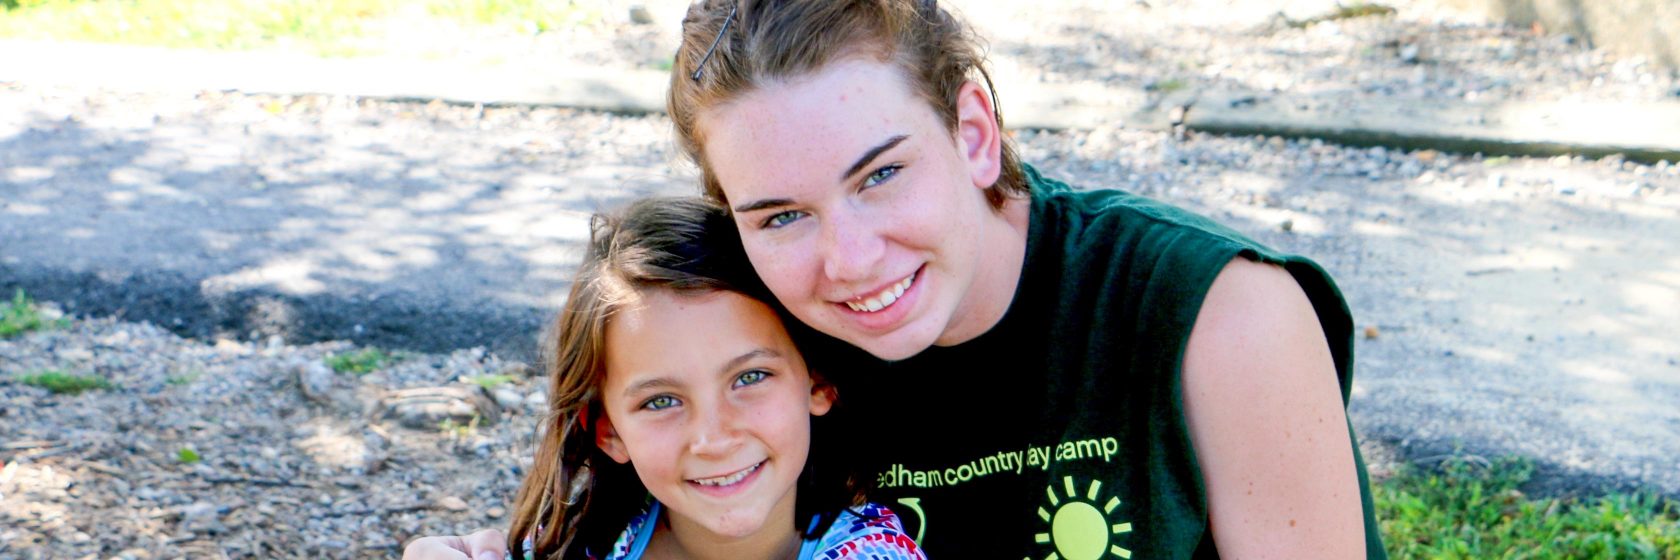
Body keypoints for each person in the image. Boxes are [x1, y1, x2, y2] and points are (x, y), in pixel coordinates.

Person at [410, 1, 1387, 558]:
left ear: (972, 128)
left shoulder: (1218, 315)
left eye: (880, 175)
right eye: (781, 213)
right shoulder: (771, 335)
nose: (852, 261)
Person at [406, 197, 925, 559]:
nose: (715, 437)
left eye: (750, 378)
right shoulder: (579, 546)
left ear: (817, 383)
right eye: (660, 402)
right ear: (607, 430)